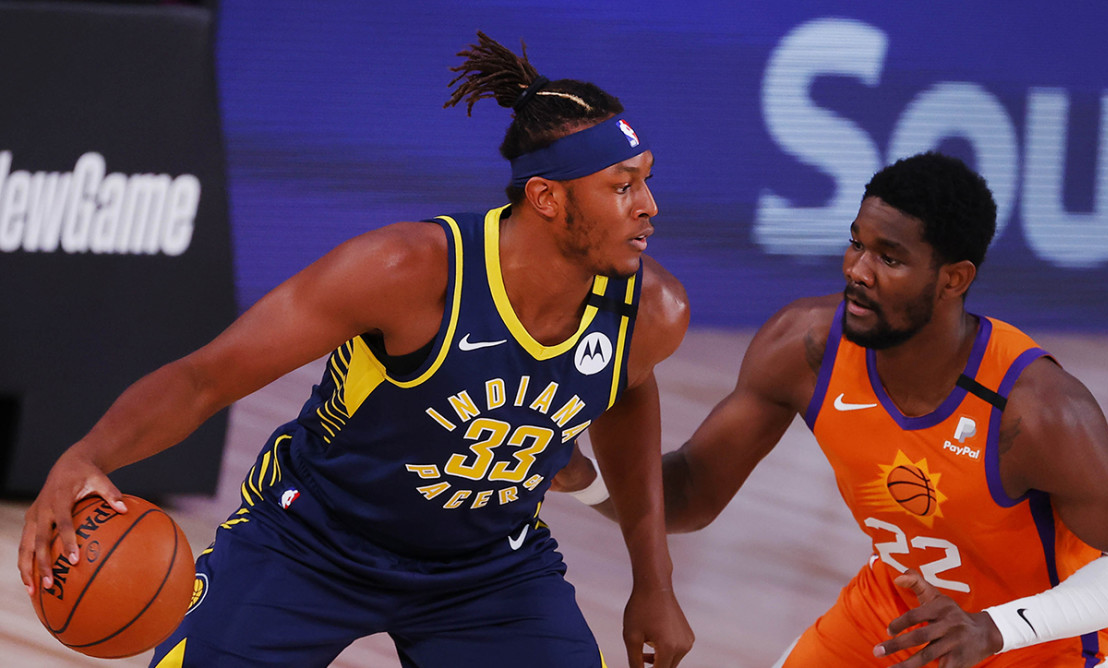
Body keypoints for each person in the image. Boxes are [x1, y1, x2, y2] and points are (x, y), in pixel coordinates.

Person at [18, 31, 694, 668]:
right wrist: (89, 455)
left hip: (488, 569)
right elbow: (204, 379)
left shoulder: (652, 312)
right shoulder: (405, 272)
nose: (649, 206)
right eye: (622, 186)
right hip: (311, 540)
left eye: (647, 178)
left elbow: (626, 393)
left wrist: (654, 581)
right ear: (546, 198)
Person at [555, 152, 1108, 667]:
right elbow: (689, 492)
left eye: (889, 258)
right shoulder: (805, 349)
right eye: (857, 244)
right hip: (895, 613)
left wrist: (992, 631)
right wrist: (581, 477)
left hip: (1038, 645)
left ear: (954, 279)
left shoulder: (1033, 411)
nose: (858, 271)